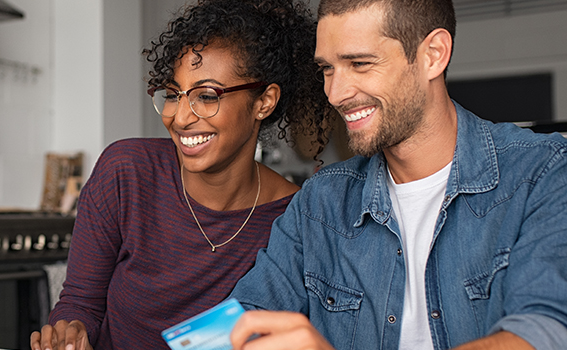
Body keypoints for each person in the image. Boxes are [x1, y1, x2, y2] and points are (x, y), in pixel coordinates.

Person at [228, 0, 567, 349]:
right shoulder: (321, 203)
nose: (335, 93)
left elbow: (543, 332)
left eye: (360, 63)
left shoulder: (543, 172)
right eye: (327, 69)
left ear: (433, 54)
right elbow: (243, 320)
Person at [29, 0, 334, 349]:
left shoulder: (293, 220)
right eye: (174, 95)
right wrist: (69, 333)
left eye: (206, 96)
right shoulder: (125, 172)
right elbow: (80, 303)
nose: (180, 117)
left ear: (264, 101)